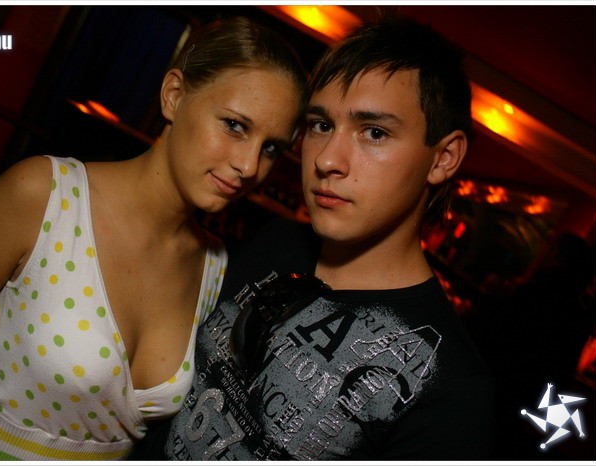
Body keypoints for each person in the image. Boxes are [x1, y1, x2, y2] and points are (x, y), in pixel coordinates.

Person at [0, 16, 306, 461]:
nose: (250, 166)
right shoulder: (44, 194)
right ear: (174, 95)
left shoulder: (215, 268)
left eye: (272, 148)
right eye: (234, 125)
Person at [158, 14, 495, 460]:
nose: (327, 160)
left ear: (443, 157)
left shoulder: (450, 387)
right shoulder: (276, 243)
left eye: (374, 132)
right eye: (321, 125)